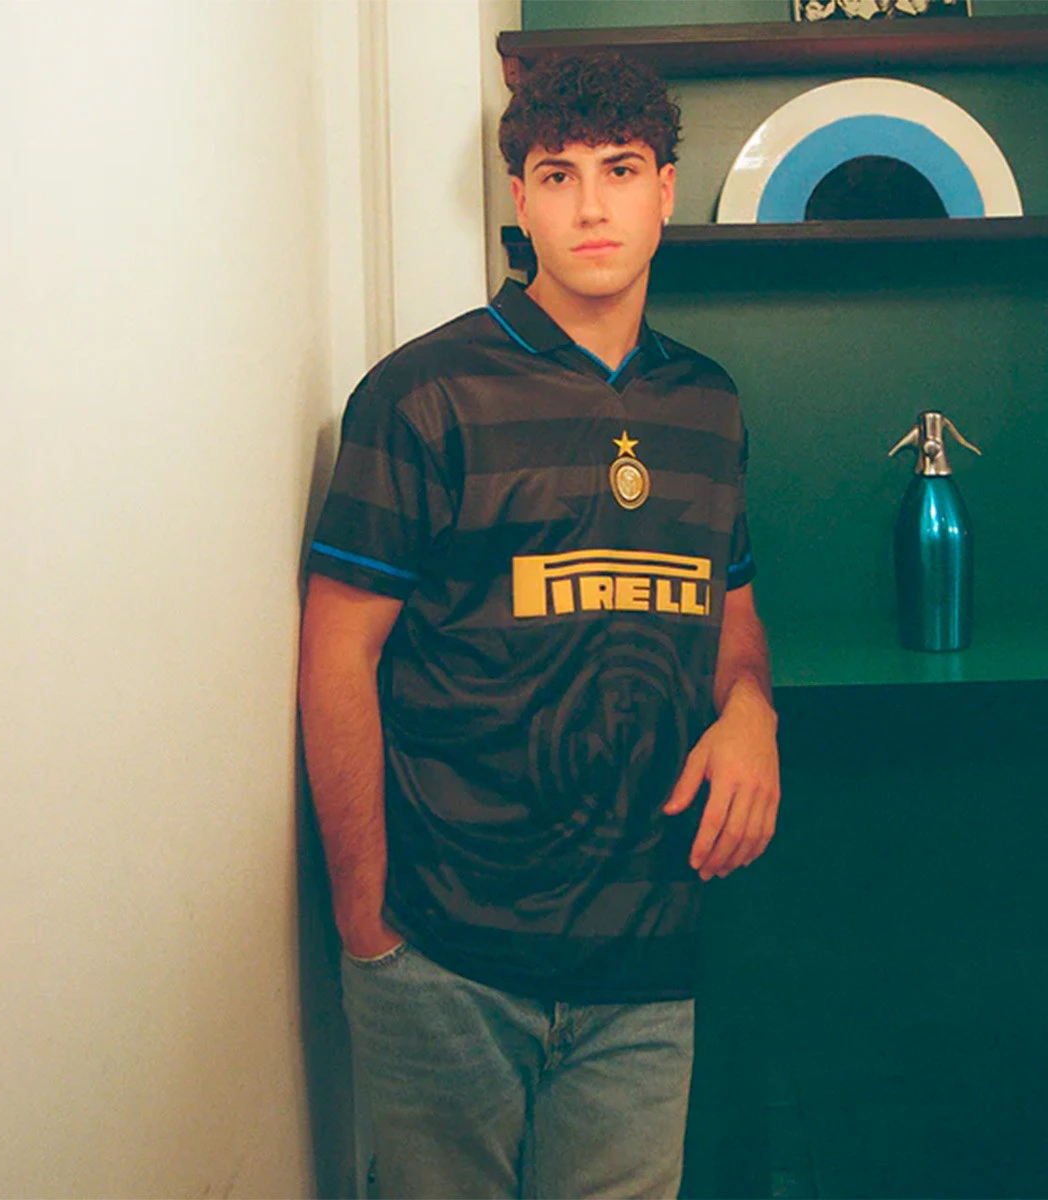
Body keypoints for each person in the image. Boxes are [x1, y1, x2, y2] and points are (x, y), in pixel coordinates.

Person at [298, 50, 780, 1200]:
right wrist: (368, 929)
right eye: (559, 176)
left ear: (666, 190)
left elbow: (733, 616)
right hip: (446, 959)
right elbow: (337, 653)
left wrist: (751, 712)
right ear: (521, 201)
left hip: (647, 961)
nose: (592, 205)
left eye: (621, 169)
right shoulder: (422, 395)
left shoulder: (708, 405)